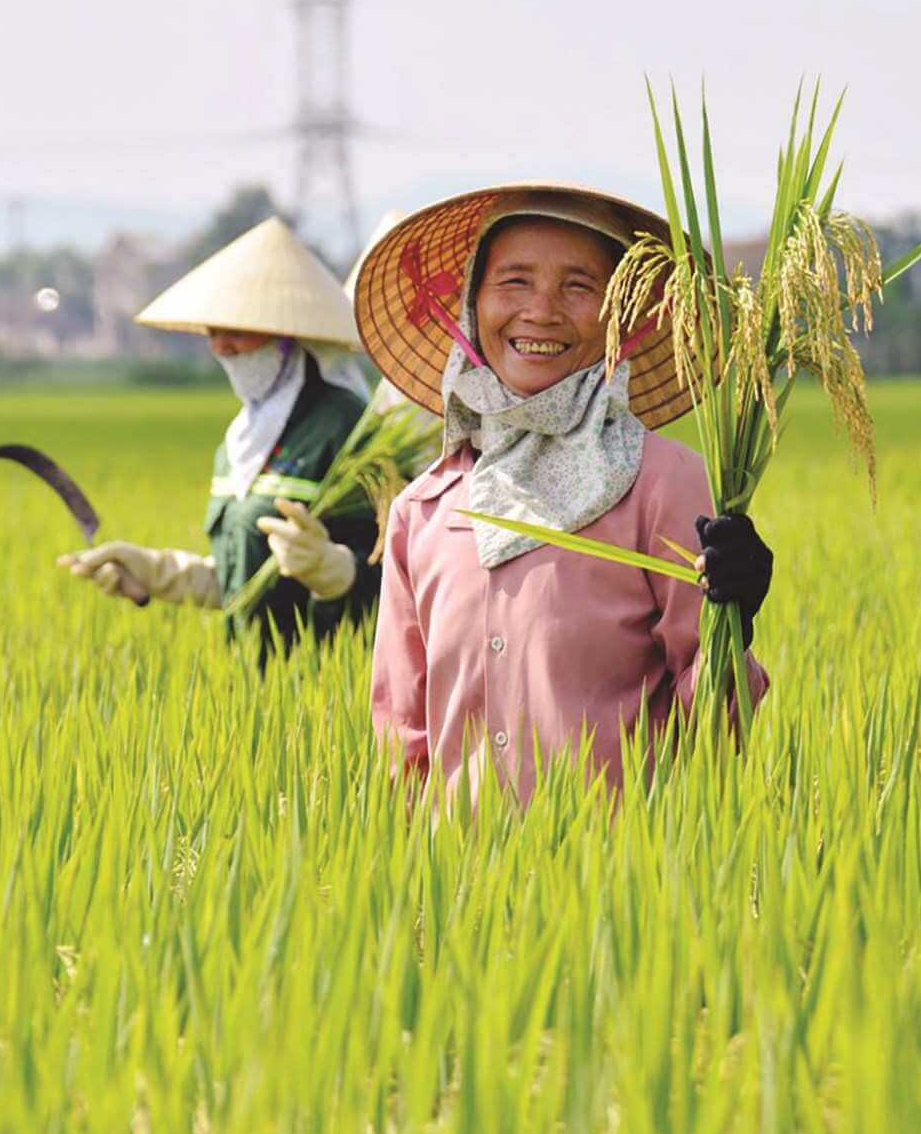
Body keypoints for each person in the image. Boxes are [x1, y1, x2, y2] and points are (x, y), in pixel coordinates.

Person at [354, 184, 774, 804]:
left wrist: (731, 628)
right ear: (471, 307)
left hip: (613, 881)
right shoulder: (423, 510)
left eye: (579, 287)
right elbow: (402, 739)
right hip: (454, 884)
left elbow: (713, 728)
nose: (542, 311)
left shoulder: (660, 483)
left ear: (619, 319)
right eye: (514, 282)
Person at [61, 217, 381, 647]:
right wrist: (162, 575)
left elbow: (402, 572)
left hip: (327, 683)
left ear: (288, 333)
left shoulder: (346, 425)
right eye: (213, 332)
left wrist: (338, 572)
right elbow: (241, 575)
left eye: (237, 330)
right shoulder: (239, 442)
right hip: (250, 681)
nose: (220, 348)